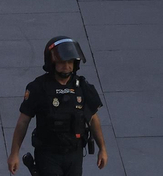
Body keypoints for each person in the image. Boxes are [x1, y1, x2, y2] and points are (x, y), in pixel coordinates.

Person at [8, 39, 107, 175]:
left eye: (70, 62)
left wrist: (102, 149)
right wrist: (14, 153)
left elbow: (94, 119)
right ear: (52, 62)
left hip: (74, 154)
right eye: (61, 62)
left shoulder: (83, 87)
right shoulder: (38, 88)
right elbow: (23, 122)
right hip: (48, 155)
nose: (66, 66)